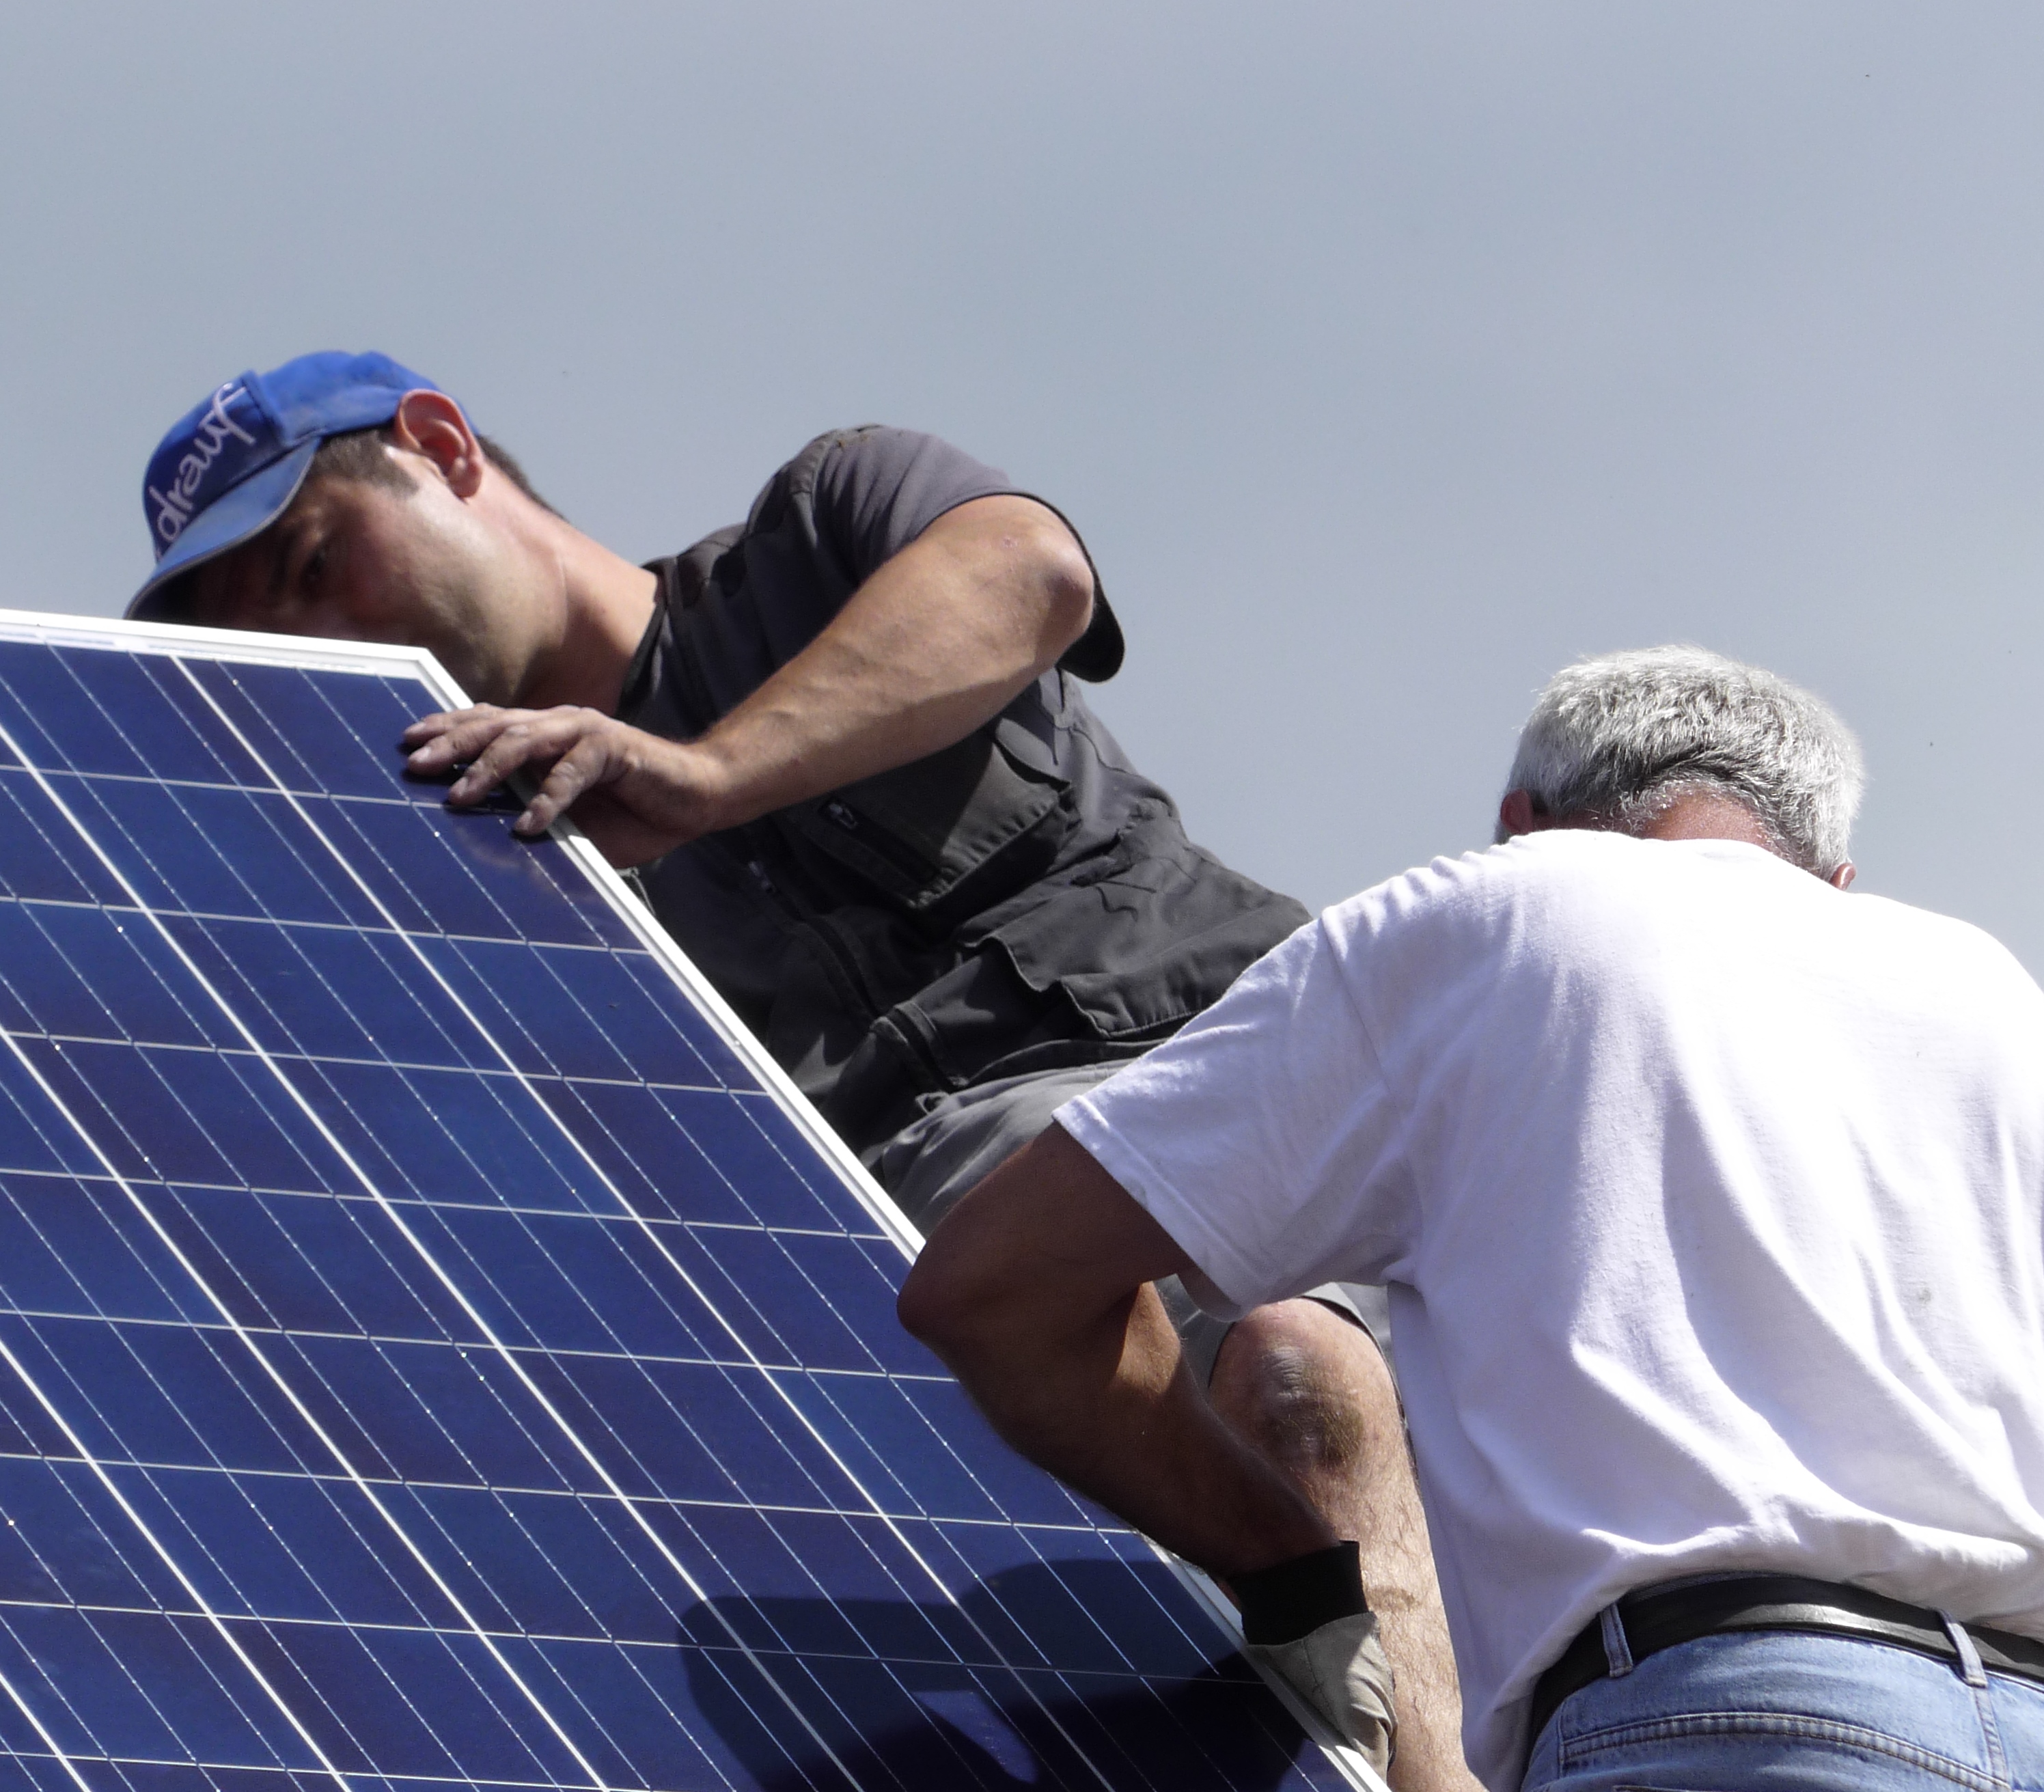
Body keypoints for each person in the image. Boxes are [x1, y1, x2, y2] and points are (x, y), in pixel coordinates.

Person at [128, 349, 1479, 1790]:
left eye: (319, 560)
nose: (317, 628)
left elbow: (1030, 573)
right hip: (931, 1296)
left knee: (1293, 1360)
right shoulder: (468, 876)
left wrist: (700, 774)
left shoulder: (823, 527)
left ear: (442, 443)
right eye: (265, 621)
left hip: (1229, 1086)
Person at [902, 645, 2044, 1791]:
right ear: (1834, 878)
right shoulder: (1993, 992)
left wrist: (1293, 1567)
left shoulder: (1503, 912)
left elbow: (996, 1288)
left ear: (1525, 822)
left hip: (1731, 1723)